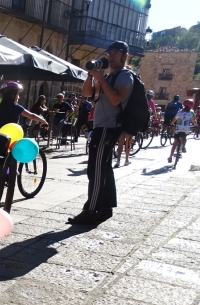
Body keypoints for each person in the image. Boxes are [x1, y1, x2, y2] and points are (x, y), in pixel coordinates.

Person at [68, 40, 134, 225]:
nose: (111, 56)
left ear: (124, 56)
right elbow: (88, 94)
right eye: (110, 53)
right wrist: (91, 76)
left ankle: (91, 209)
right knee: (104, 168)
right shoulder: (110, 76)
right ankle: (106, 208)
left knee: (95, 170)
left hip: (109, 127)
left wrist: (102, 78)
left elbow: (115, 99)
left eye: (116, 53)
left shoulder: (124, 76)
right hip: (101, 126)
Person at [168, 98, 194, 163]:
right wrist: (196, 125)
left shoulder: (180, 111)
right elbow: (194, 120)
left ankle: (170, 156)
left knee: (175, 142)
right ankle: (183, 146)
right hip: (186, 128)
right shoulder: (192, 112)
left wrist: (171, 124)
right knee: (184, 136)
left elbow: (175, 118)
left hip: (178, 128)